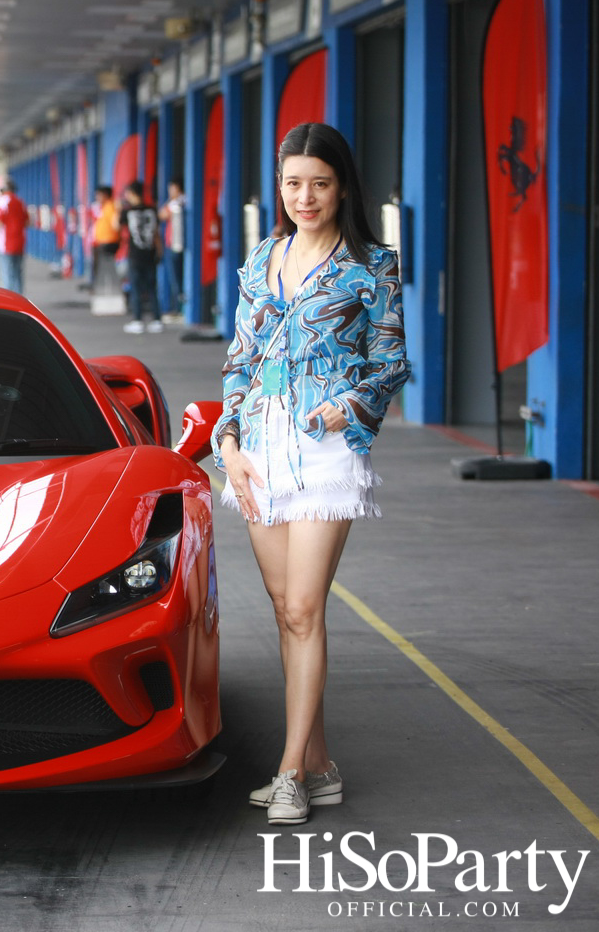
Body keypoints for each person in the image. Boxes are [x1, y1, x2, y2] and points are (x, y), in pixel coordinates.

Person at [215, 121, 409, 827]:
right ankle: (321, 763)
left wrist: (344, 408)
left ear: (342, 187)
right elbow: (239, 359)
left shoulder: (371, 266)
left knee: (303, 609)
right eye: (293, 183)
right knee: (283, 610)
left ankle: (290, 771)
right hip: (258, 450)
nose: (306, 196)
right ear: (280, 186)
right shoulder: (263, 258)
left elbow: (390, 362)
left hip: (325, 453)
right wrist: (227, 444)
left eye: (320, 184)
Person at [120, 181, 162, 334]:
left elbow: (114, 226)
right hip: (150, 254)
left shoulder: (127, 211)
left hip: (135, 255)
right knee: (152, 288)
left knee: (136, 288)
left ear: (131, 193)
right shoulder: (152, 209)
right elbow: (156, 233)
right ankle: (157, 319)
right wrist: (160, 251)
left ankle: (137, 320)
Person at [0, 178, 30, 294]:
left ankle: (9, 303)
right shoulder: (20, 202)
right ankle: (21, 303)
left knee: (7, 275)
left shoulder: (2, 202)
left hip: (5, 245)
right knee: (18, 275)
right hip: (20, 243)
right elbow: (27, 222)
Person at [163, 180, 186, 318]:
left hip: (177, 246)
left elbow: (162, 214)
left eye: (172, 188)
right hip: (172, 244)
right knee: (175, 278)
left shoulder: (178, 202)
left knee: (177, 278)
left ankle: (179, 309)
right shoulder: (175, 202)